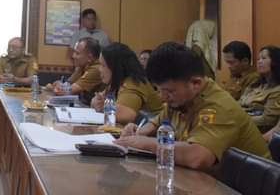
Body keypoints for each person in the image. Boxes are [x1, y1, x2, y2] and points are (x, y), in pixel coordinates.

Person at [115, 42, 270, 169]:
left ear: (195, 83)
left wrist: (146, 143)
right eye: (159, 90)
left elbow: (197, 157)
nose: (162, 97)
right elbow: (156, 122)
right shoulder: (181, 97)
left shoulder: (218, 107)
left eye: (168, 91)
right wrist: (137, 133)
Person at [90, 43, 162, 124]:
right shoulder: (116, 81)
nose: (99, 69)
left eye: (103, 65)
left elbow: (126, 115)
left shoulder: (134, 83)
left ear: (116, 67)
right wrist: (97, 102)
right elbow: (96, 101)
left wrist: (103, 106)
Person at [238, 46, 280, 139]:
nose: (259, 62)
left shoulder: (277, 89)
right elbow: (239, 104)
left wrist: (239, 120)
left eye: (264, 58)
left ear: (275, 62)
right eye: (258, 59)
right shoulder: (255, 84)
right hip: (239, 124)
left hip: (256, 131)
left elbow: (268, 120)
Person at [53, 37, 105, 103]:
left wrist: (60, 87)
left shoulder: (96, 69)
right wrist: (61, 85)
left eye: (77, 53)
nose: (73, 56)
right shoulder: (82, 65)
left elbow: (65, 92)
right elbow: (67, 84)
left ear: (89, 58)